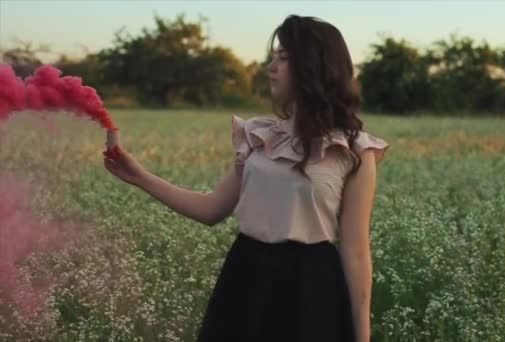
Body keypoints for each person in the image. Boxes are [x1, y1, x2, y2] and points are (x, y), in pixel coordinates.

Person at [102, 14, 389, 342]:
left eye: (283, 58)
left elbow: (355, 253)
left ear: (313, 65)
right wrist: (138, 175)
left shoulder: (353, 150)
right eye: (273, 57)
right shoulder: (258, 137)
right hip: (247, 278)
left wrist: (362, 338)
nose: (271, 67)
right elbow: (211, 209)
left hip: (311, 289)